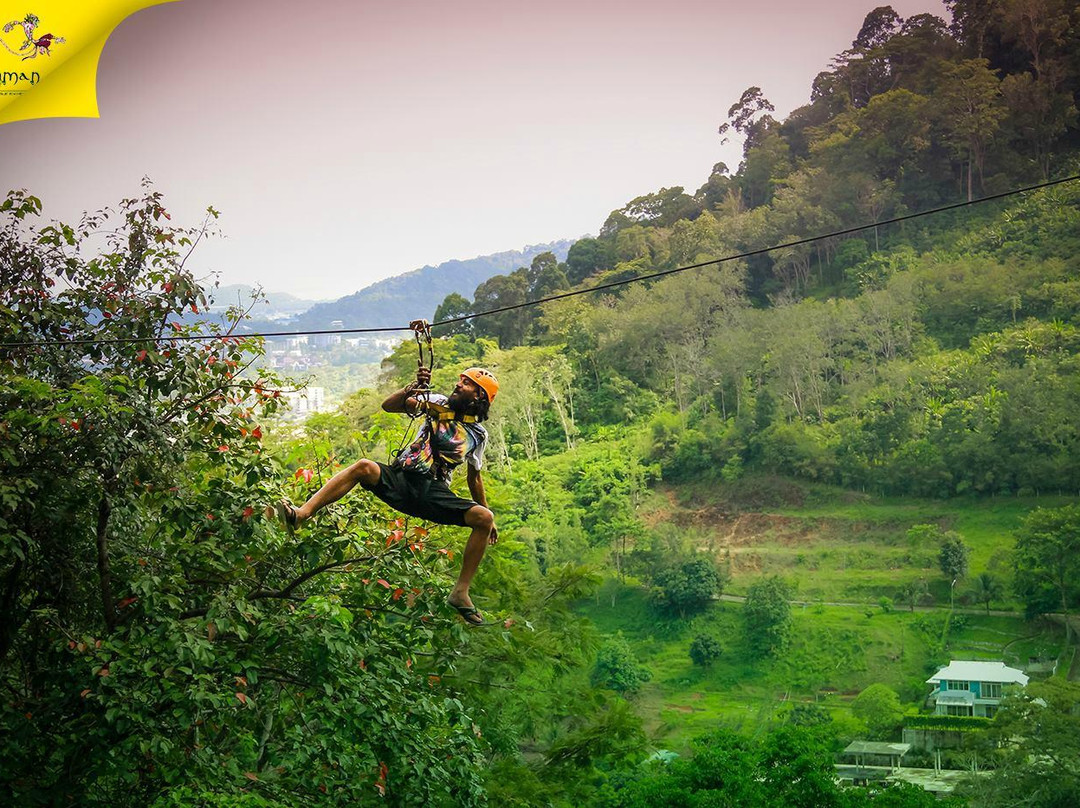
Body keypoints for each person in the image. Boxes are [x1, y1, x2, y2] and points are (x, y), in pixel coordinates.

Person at [269, 356, 499, 626]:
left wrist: (489, 516)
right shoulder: (436, 402)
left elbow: (475, 478)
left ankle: (461, 593)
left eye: (468, 383)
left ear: (479, 396)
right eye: (461, 380)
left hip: (432, 492)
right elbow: (390, 406)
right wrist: (413, 388)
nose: (459, 385)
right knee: (363, 467)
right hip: (402, 478)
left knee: (483, 518)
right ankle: (302, 514)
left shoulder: (478, 435)